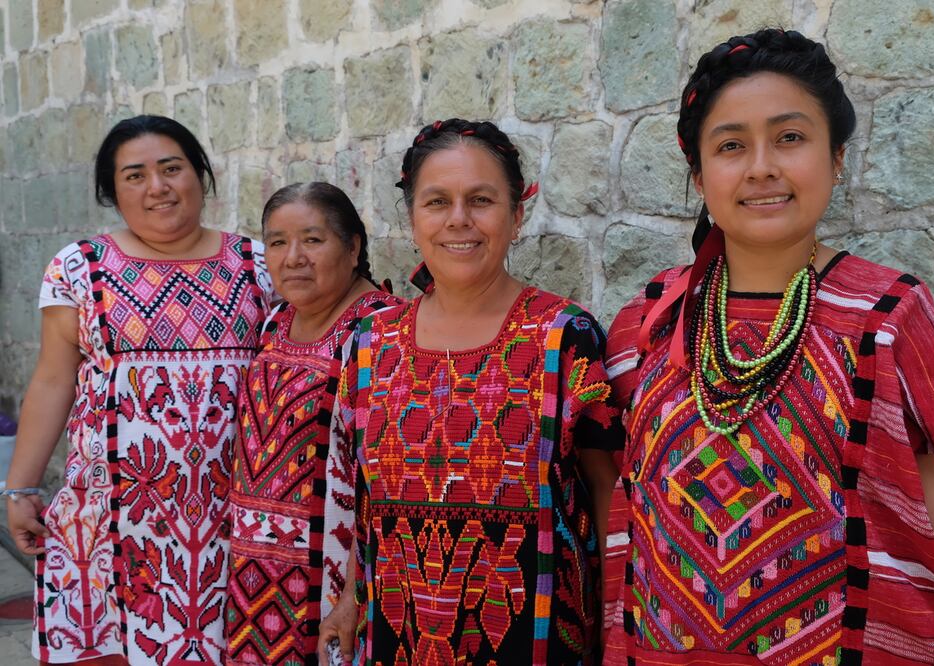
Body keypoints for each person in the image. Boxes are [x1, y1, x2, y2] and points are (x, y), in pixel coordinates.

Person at [602, 29, 934, 664]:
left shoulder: (890, 315)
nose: (762, 166)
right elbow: (630, 506)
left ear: (837, 157)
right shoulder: (648, 323)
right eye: (731, 145)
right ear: (699, 175)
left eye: (790, 137)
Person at [320, 118, 623, 665]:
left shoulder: (564, 337)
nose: (459, 220)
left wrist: (615, 634)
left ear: (516, 215)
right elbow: (365, 501)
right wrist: (348, 602)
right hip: (398, 643)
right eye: (436, 202)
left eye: (480, 199)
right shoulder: (369, 346)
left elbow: (607, 496)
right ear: (412, 218)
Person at [4, 115, 275, 664]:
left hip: (230, 518)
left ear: (200, 174)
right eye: (135, 175)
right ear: (112, 192)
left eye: (172, 168)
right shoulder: (78, 270)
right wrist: (20, 488)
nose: (158, 187)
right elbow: (54, 380)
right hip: (108, 519)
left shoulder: (258, 264)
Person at [225, 182, 402, 665]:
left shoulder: (384, 334)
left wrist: (352, 599)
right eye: (277, 242)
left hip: (335, 589)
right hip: (256, 584)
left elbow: (385, 485)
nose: (293, 257)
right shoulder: (274, 324)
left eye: (313, 239)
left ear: (353, 247)